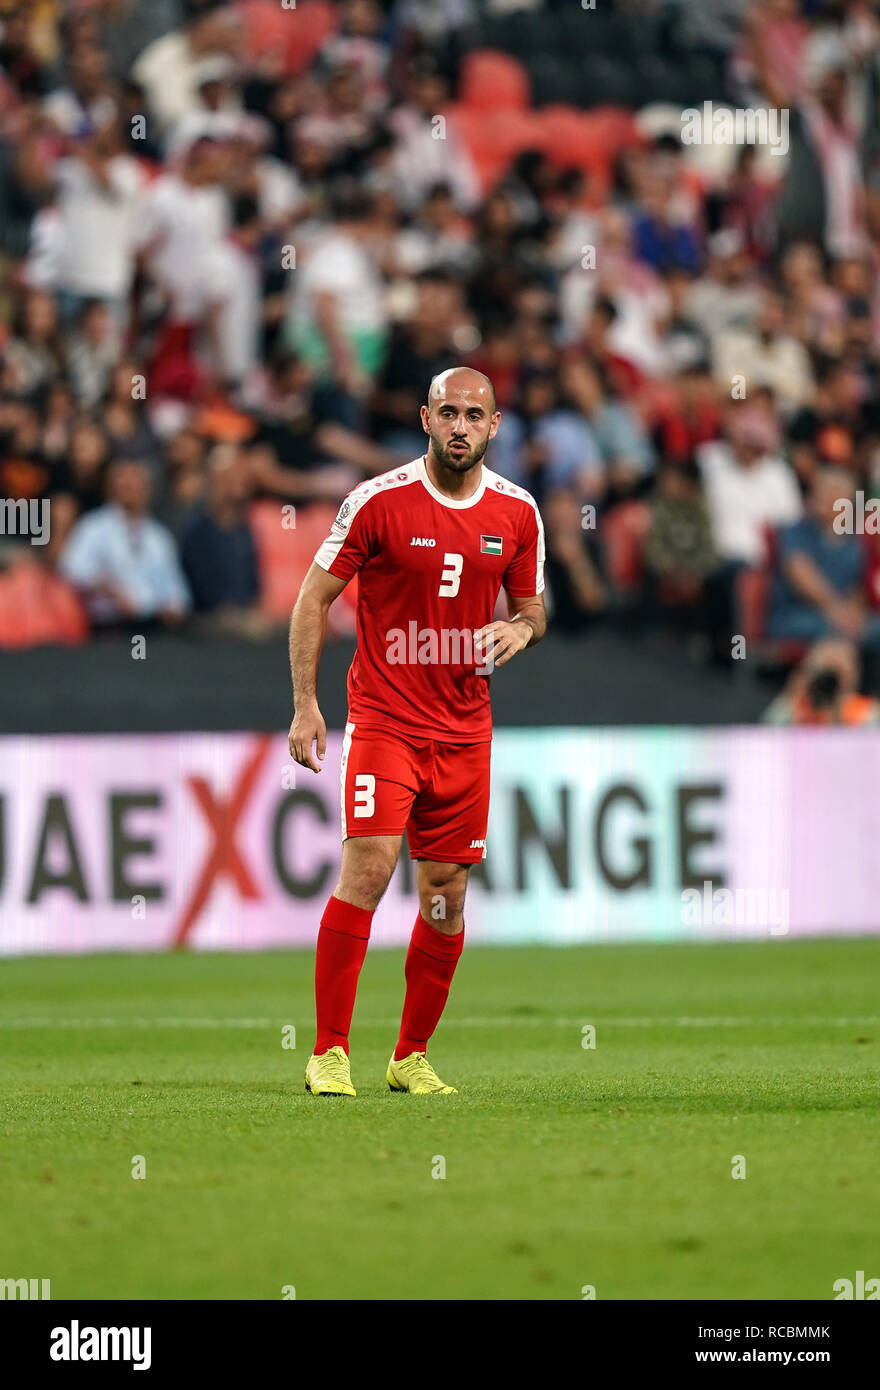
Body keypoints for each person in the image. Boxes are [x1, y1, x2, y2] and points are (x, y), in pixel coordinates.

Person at [288, 367, 546, 1097]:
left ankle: (409, 1057)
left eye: (475, 415)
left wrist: (523, 631)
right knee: (369, 867)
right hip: (385, 722)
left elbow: (533, 609)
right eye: (447, 413)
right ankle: (330, 1051)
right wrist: (306, 704)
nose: (460, 426)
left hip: (465, 732)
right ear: (425, 419)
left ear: (494, 426)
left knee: (446, 894)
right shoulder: (377, 503)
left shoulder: (519, 512)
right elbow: (313, 600)